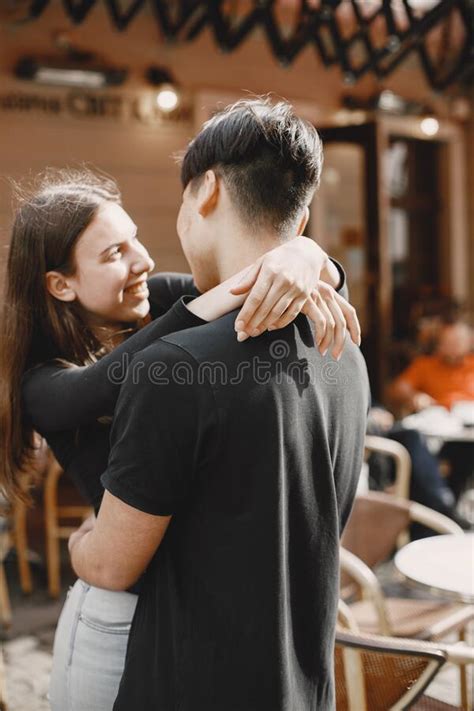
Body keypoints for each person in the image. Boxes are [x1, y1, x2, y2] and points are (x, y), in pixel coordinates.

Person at [0, 164, 359, 711]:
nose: (144, 259)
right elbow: (110, 380)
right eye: (113, 253)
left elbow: (262, 281)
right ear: (60, 284)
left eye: (134, 239)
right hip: (116, 616)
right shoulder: (42, 384)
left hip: (196, 612)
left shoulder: (156, 304)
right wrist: (245, 285)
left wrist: (308, 258)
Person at [389, 318, 474, 501]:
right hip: (438, 431)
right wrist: (414, 396)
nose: (452, 347)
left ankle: (451, 505)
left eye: (457, 342)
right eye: (447, 342)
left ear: (469, 343)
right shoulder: (425, 365)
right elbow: (398, 388)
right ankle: (443, 503)